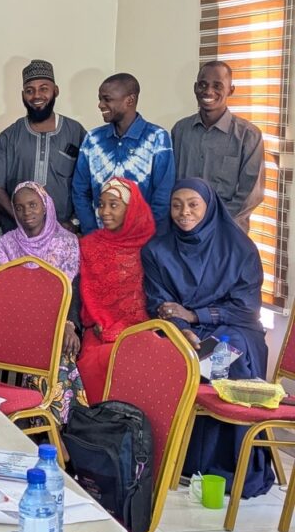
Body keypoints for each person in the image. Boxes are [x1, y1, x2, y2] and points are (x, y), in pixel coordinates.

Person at [142, 177, 274, 498]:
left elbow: (246, 310)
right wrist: (180, 328)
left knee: (217, 359)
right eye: (177, 205)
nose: (184, 212)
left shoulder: (239, 249)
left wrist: (195, 315)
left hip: (236, 330)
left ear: (209, 207)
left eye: (193, 205)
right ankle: (179, 460)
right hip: (183, 333)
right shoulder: (157, 250)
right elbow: (159, 302)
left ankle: (229, 466)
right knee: (173, 356)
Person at [0, 181, 86, 423]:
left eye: (33, 205)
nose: (26, 212)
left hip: (59, 321)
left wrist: (69, 325)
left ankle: (54, 426)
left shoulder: (67, 242)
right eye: (19, 207)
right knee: (43, 349)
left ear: (45, 205)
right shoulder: (6, 243)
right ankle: (49, 427)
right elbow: (7, 293)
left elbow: (72, 289)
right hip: (19, 322)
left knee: (61, 349)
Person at [0, 60, 86, 233]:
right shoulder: (10, 136)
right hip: (18, 235)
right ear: (23, 95)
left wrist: (74, 222)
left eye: (44, 89)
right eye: (30, 91)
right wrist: (22, 221)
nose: (37, 95)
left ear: (56, 90)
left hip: (62, 234)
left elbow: (87, 184)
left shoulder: (75, 132)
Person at [75, 178, 155, 396]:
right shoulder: (89, 245)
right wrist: (101, 322)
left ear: (131, 209)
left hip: (140, 330)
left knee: (137, 364)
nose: (104, 212)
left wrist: (121, 329)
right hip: (98, 329)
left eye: (114, 205)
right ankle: (97, 417)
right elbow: (84, 296)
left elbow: (153, 297)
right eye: (101, 205)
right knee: (92, 362)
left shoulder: (150, 246)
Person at [71, 73, 175, 234]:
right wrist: (92, 233)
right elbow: (80, 191)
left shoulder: (157, 137)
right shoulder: (92, 139)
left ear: (130, 100)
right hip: (100, 238)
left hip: (143, 239)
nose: (100, 105)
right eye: (100, 99)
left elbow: (163, 194)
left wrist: (149, 236)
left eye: (107, 99)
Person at [171, 61, 264, 232]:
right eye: (203, 85)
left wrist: (214, 221)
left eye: (217, 85)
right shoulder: (180, 130)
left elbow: (251, 194)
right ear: (195, 88)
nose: (208, 91)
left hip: (226, 230)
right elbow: (171, 180)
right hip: (184, 230)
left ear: (231, 90)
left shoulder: (248, 135)